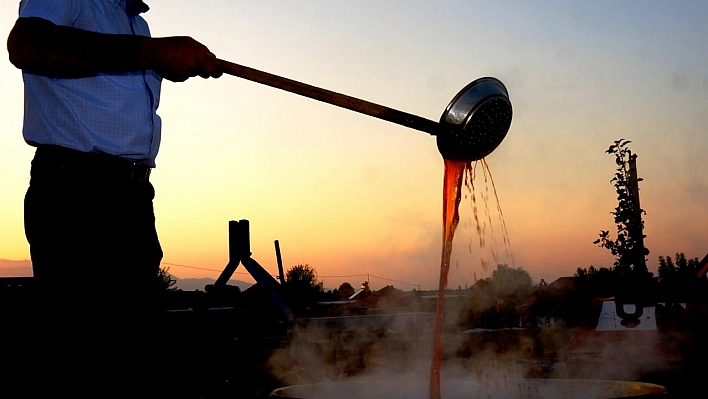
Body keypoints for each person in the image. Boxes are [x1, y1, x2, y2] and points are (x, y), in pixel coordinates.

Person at [6, 0, 222, 397]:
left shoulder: (136, 22)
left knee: (128, 355)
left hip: (132, 197)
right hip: (77, 195)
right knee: (82, 356)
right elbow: (27, 45)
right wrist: (150, 53)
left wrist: (156, 57)